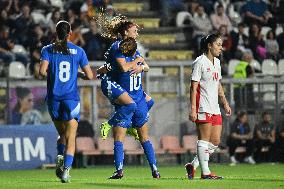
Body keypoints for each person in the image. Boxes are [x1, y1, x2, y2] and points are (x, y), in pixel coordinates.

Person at [96, 15, 160, 179]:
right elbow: (120, 68)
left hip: (135, 96)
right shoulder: (117, 47)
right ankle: (123, 170)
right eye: (134, 30)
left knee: (139, 135)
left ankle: (153, 169)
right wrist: (137, 63)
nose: (137, 32)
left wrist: (142, 68)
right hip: (125, 95)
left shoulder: (135, 50)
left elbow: (146, 66)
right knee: (125, 137)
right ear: (126, 31)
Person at [39, 20, 93, 183]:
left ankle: (60, 159)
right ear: (70, 34)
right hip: (71, 99)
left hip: (54, 99)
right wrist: (76, 74)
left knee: (61, 134)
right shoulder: (78, 51)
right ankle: (66, 171)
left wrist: (54, 72)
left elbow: (41, 72)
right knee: (71, 137)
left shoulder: (47, 50)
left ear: (56, 33)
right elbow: (90, 76)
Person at [185, 33, 231, 180]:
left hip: (215, 107)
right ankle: (205, 173)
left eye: (221, 45)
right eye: (218, 44)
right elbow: (193, 87)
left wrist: (224, 102)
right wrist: (193, 108)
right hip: (202, 106)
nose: (221, 48)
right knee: (204, 140)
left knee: (215, 141)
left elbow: (218, 84)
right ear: (209, 45)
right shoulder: (199, 62)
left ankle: (193, 165)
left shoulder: (217, 62)